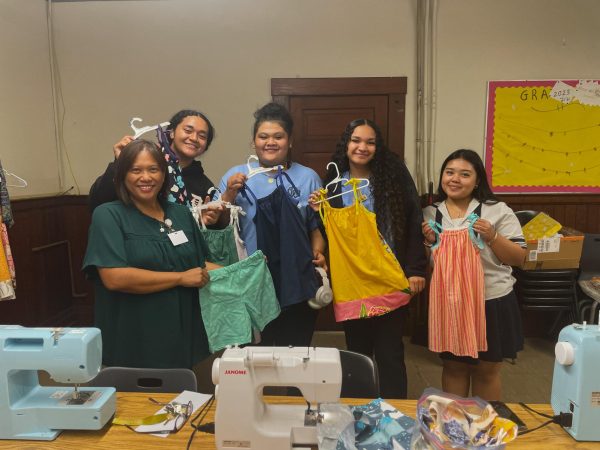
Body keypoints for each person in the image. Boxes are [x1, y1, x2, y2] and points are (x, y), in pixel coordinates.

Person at [311, 118, 427, 399]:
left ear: (378, 147)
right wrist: (318, 210)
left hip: (390, 276)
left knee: (389, 353)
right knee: (357, 354)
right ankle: (358, 411)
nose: (362, 147)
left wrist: (415, 269)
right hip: (352, 283)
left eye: (370, 142)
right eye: (356, 140)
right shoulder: (334, 186)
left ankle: (396, 413)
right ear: (346, 145)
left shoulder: (393, 178)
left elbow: (413, 221)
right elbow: (333, 234)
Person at [83, 139, 217, 368]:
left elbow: (199, 266)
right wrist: (180, 278)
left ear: (164, 175)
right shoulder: (108, 215)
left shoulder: (181, 214)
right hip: (133, 339)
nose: (146, 177)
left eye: (153, 169)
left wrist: (246, 269)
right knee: (137, 402)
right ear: (122, 175)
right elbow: (114, 278)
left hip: (180, 337)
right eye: (136, 170)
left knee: (183, 398)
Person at [219, 102, 326, 347]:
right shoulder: (235, 176)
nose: (270, 142)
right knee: (254, 355)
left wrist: (317, 251)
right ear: (253, 142)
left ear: (290, 142)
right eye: (263, 136)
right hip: (250, 280)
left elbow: (314, 228)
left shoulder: (307, 177)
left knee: (295, 351)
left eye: (278, 136)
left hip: (296, 277)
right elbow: (216, 227)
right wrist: (228, 195)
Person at [422, 149, 526, 401]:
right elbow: (433, 264)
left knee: (486, 370)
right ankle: (455, 428)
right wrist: (429, 244)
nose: (455, 179)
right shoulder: (431, 214)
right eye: (449, 172)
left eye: (464, 174)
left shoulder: (497, 210)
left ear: (477, 180)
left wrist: (492, 236)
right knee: (453, 367)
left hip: (491, 300)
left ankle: (484, 431)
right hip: (451, 303)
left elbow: (519, 258)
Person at [89, 109, 219, 225]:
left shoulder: (205, 186)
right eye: (188, 130)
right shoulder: (142, 159)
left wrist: (204, 221)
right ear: (172, 133)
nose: (194, 138)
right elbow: (99, 200)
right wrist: (119, 162)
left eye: (202, 136)